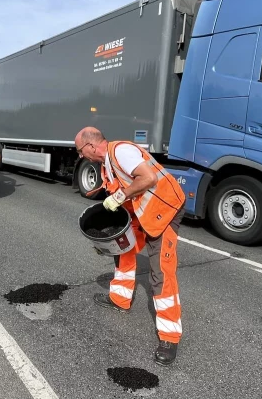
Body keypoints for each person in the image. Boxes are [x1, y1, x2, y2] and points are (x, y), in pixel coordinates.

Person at [74, 126, 186, 366]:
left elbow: (148, 178)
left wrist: (119, 196)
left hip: (166, 210)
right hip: (143, 212)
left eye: (81, 151)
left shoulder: (121, 152)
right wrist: (107, 240)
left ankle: (169, 336)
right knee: (122, 249)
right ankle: (120, 299)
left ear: (91, 146)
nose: (81, 156)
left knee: (161, 272)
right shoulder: (107, 166)